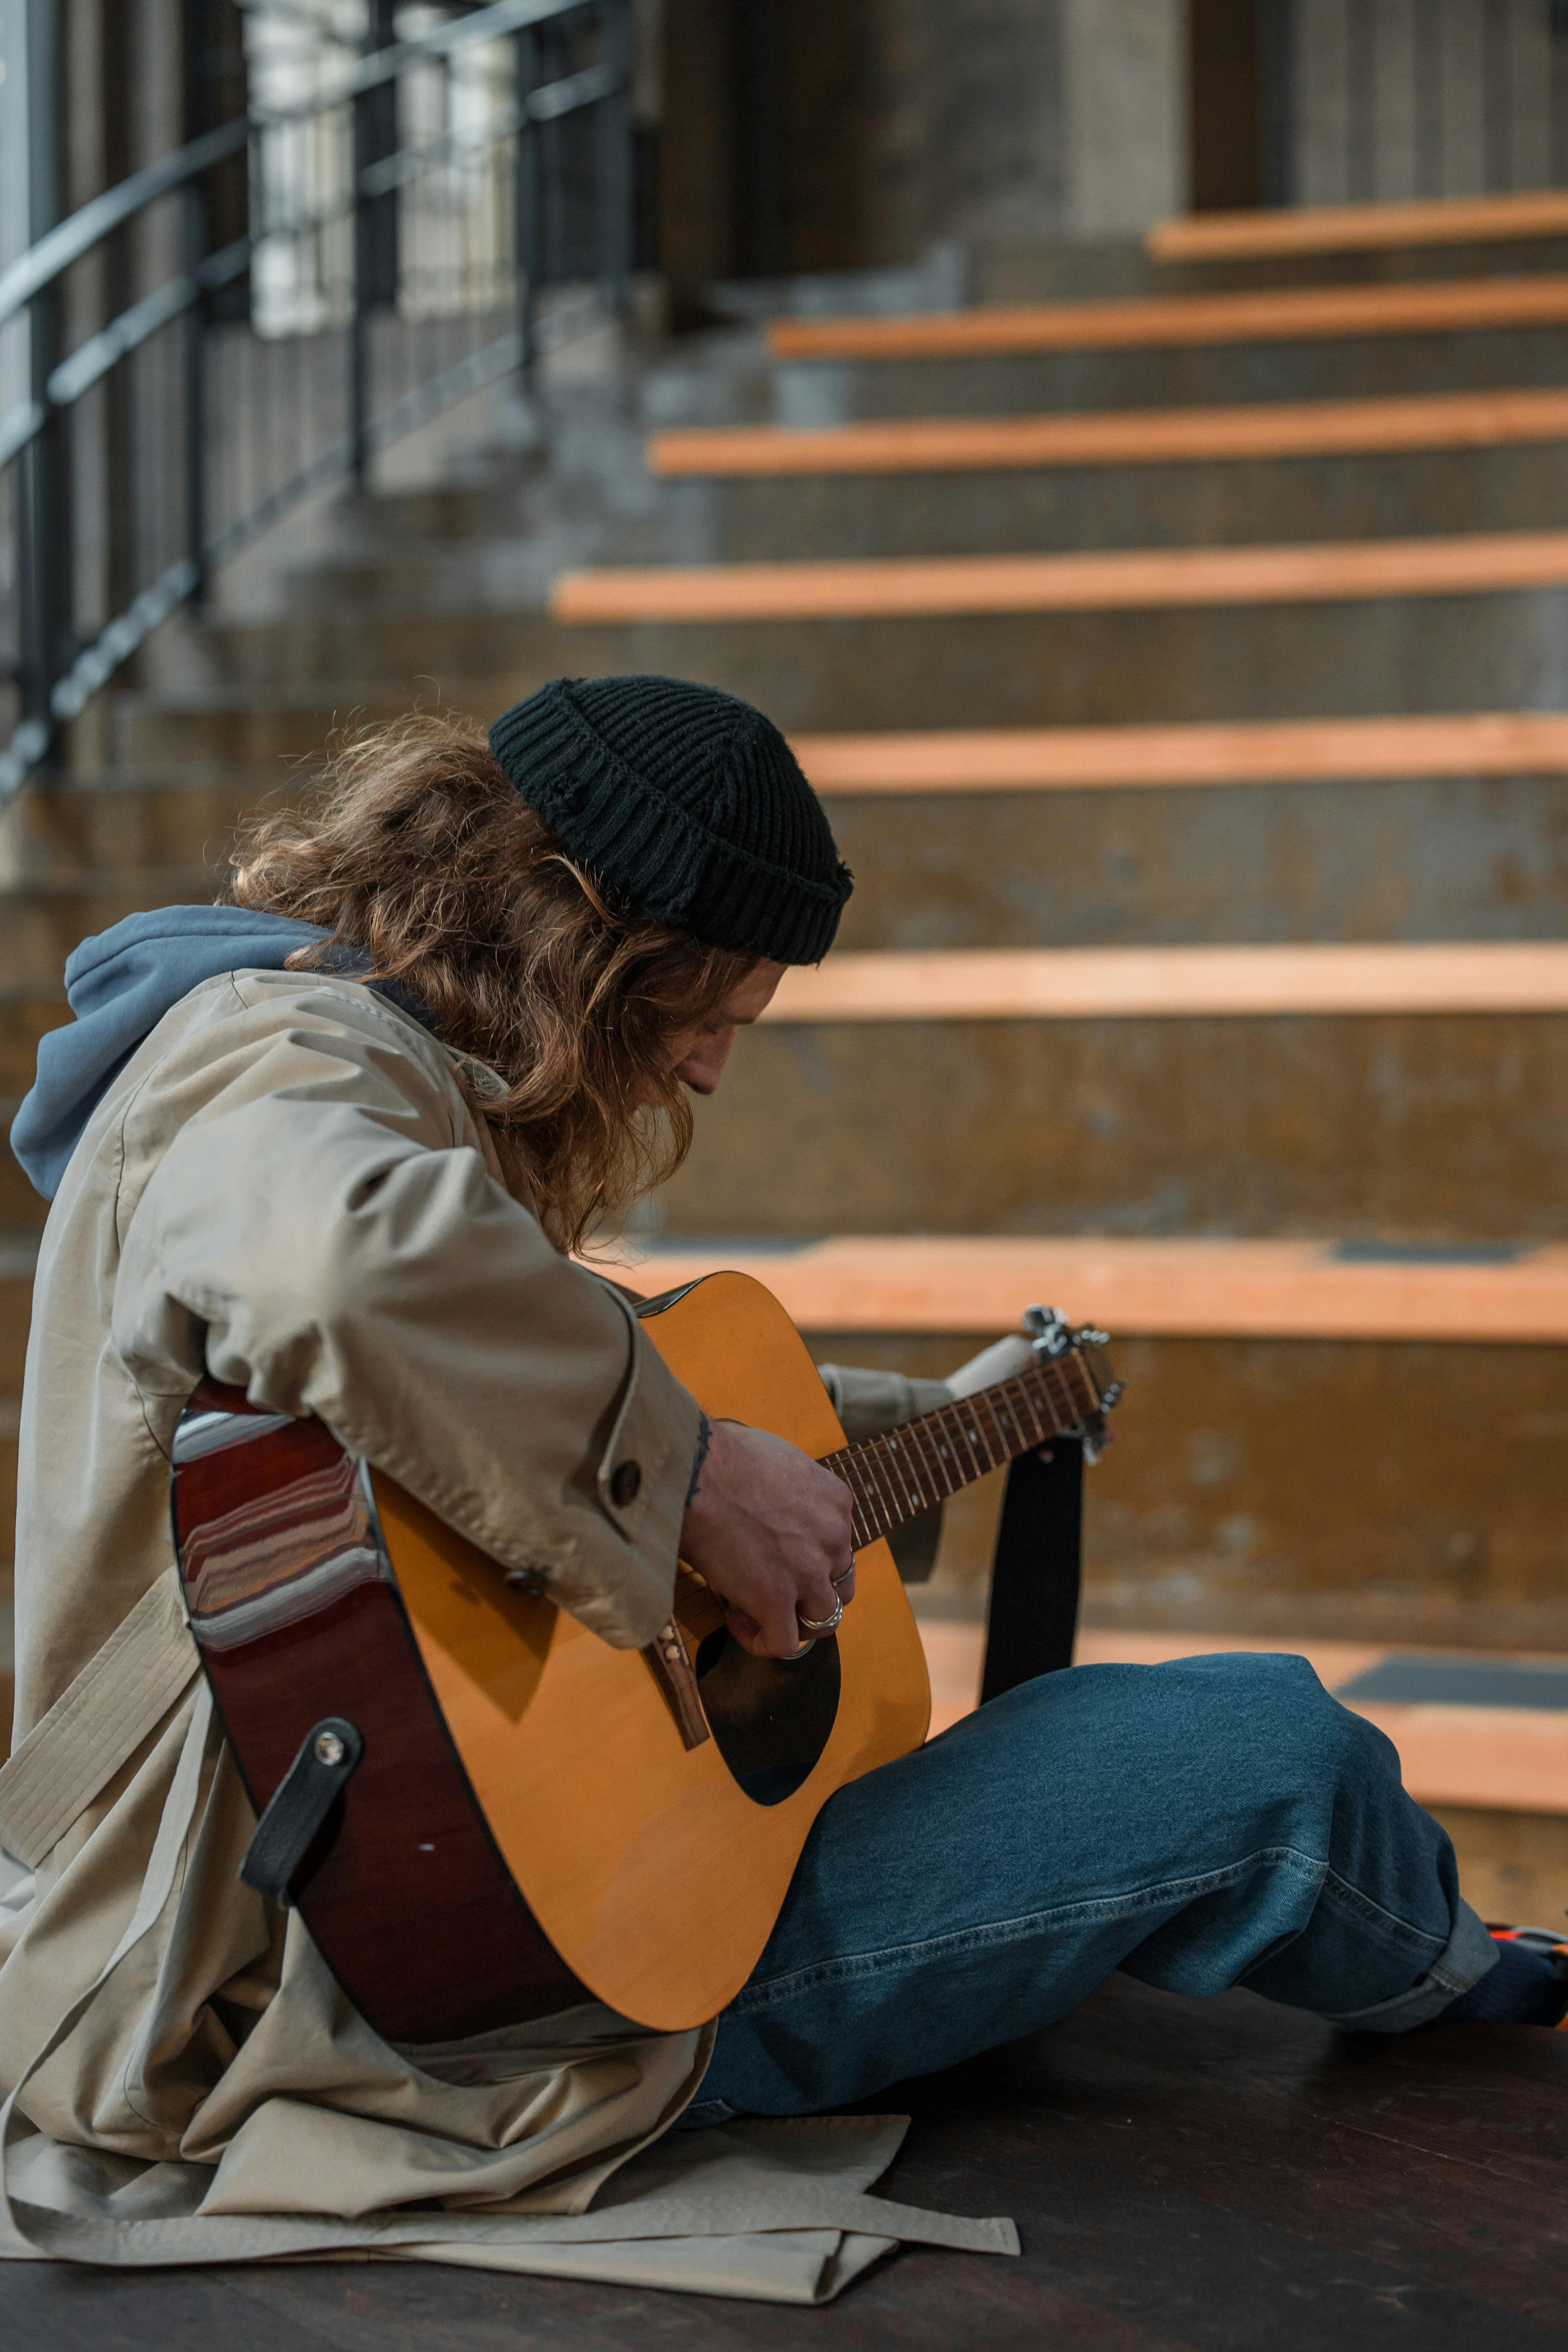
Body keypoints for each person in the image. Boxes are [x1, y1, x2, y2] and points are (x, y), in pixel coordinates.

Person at [0, 677, 1559, 2284]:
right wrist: (686, 1483)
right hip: (395, 2022)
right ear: (588, 950)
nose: (704, 1077)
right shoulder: (274, 1056)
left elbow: (482, 1400)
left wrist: (922, 1428)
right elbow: (338, 1260)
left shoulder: (353, 1060)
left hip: (416, 1949)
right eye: (707, 1018)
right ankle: (1500, 2007)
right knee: (1266, 1755)